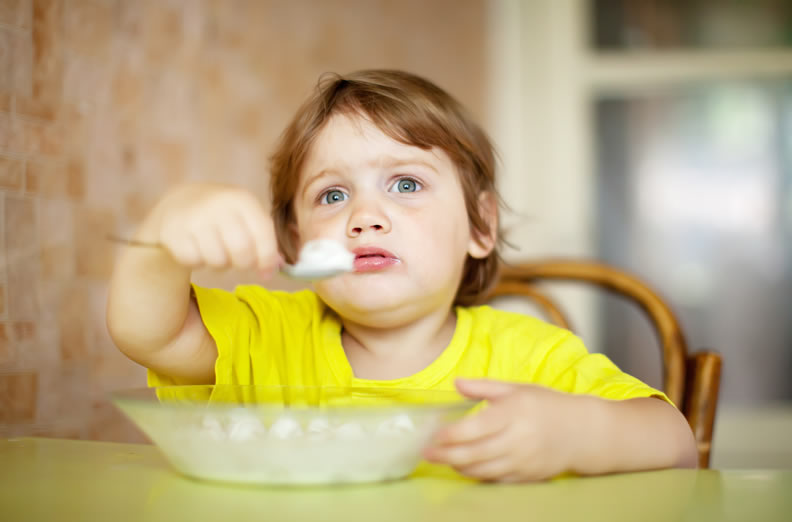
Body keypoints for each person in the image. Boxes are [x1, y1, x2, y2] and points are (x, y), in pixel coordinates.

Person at [107, 69, 698, 482]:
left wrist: (576, 433)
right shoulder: (267, 334)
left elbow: (675, 443)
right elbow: (147, 332)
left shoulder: (528, 356)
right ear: (293, 239)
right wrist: (164, 235)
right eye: (333, 194)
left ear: (480, 226)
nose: (365, 218)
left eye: (406, 185)